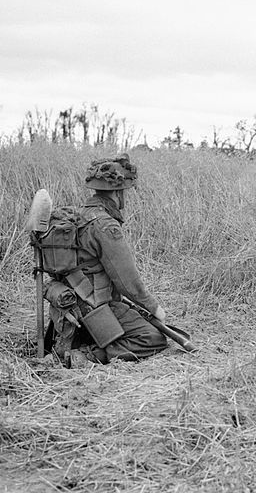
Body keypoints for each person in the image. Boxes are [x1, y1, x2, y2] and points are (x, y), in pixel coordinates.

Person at [43, 154, 169, 367]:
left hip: (71, 304)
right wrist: (154, 308)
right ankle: (88, 356)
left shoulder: (78, 216)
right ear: (118, 193)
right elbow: (128, 281)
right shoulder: (105, 225)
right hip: (96, 308)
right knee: (153, 338)